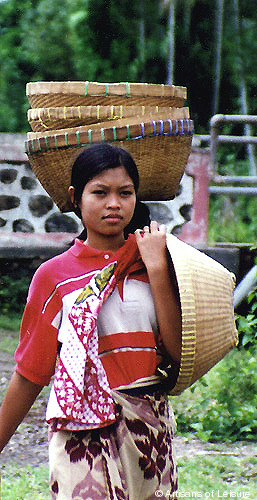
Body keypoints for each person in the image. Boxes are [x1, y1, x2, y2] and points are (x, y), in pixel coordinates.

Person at [0, 143, 182, 500]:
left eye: (125, 193)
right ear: (76, 197)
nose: (114, 203)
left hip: (147, 432)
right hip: (80, 432)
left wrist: (158, 268)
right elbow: (31, 373)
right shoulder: (55, 276)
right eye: (100, 192)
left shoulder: (158, 264)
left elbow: (178, 351)